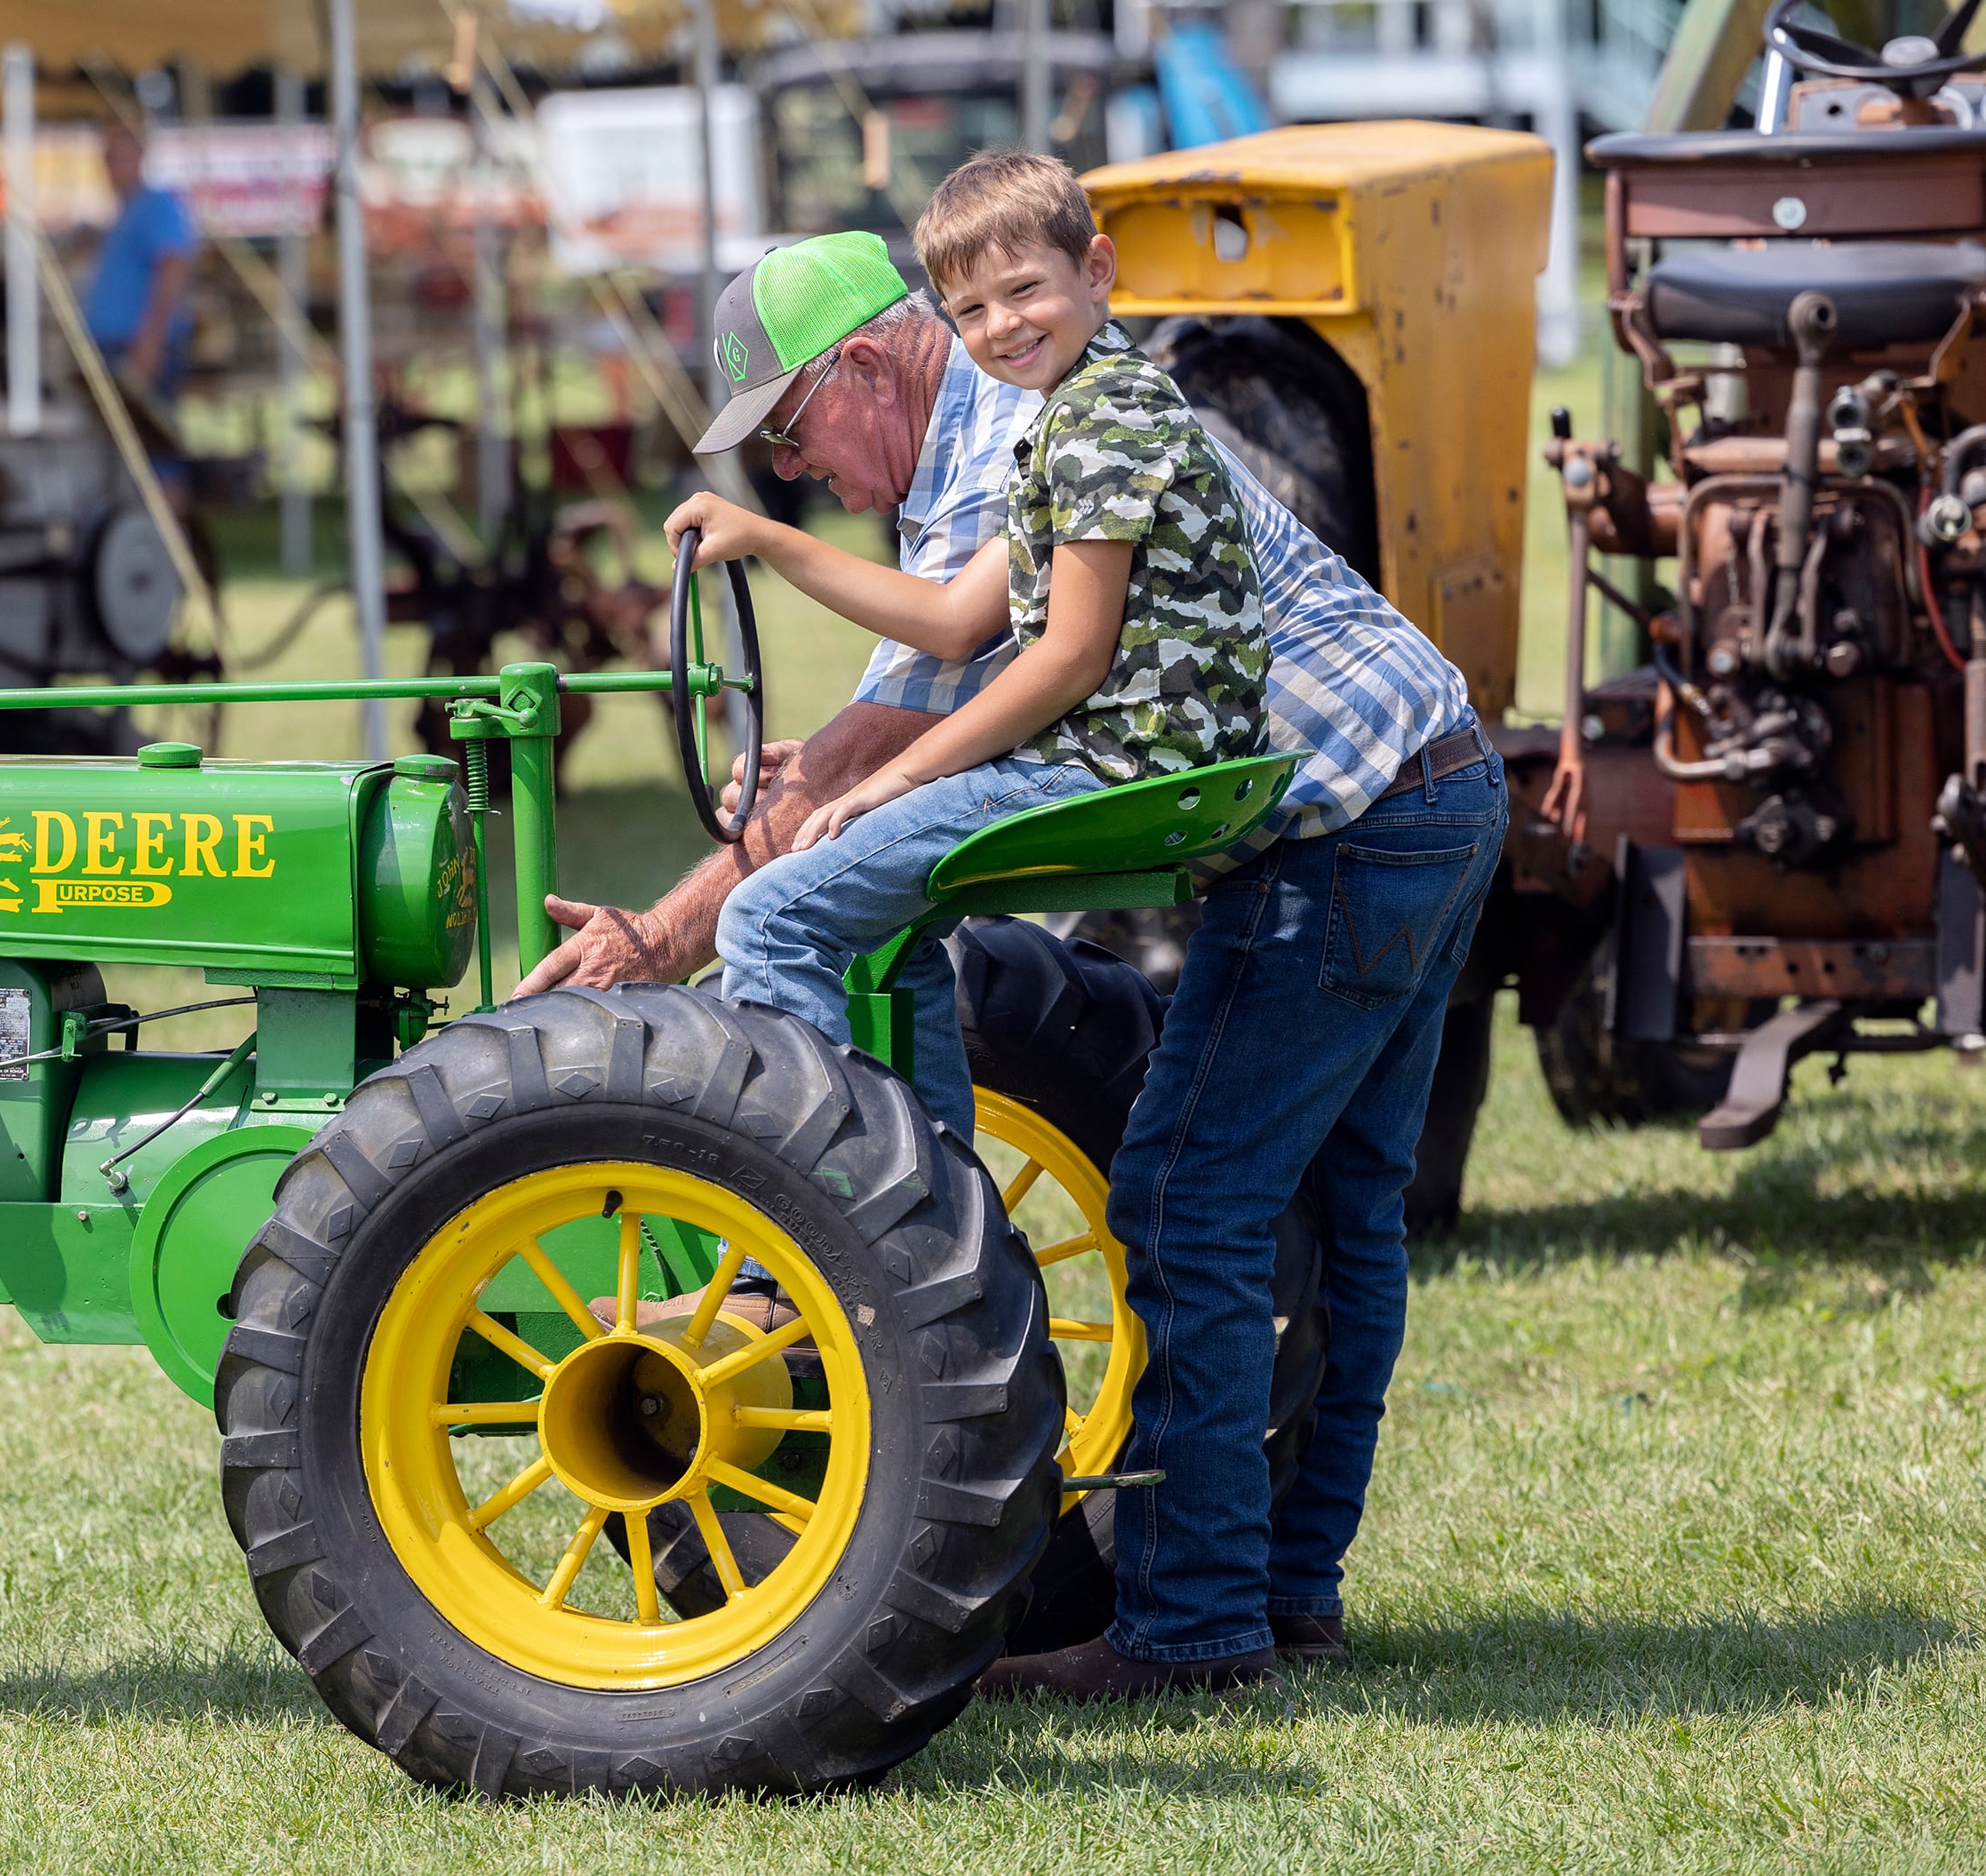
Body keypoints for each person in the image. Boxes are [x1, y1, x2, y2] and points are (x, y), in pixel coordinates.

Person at [530, 162, 1505, 1699]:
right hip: (1430, 781)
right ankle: (1287, 1594)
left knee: (1187, 1201)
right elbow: (853, 753)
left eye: (790, 440)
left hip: (1346, 823)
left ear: (859, 367)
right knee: (1350, 1206)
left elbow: (965, 688)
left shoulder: (1018, 425)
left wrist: (784, 825)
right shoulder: (963, 461)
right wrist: (664, 928)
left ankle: (1173, 1610)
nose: (806, 479)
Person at [668, 168, 1267, 1142]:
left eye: (784, 429)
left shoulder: (1072, 421)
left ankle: (807, 1236)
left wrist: (881, 776)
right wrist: (832, 764)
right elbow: (953, 623)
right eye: (971, 309)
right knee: (891, 933)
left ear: (862, 367)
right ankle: (932, 1223)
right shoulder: (1062, 409)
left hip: (1122, 759)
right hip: (1135, 746)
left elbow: (1062, 660)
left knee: (769, 920)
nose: (784, 466)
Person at [84, 114, 198, 405]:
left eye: (118, 157)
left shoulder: (157, 204)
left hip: (135, 346)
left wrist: (152, 340)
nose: (110, 167)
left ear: (140, 155)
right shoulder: (125, 210)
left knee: (146, 442)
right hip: (113, 344)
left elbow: (172, 270)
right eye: (107, 158)